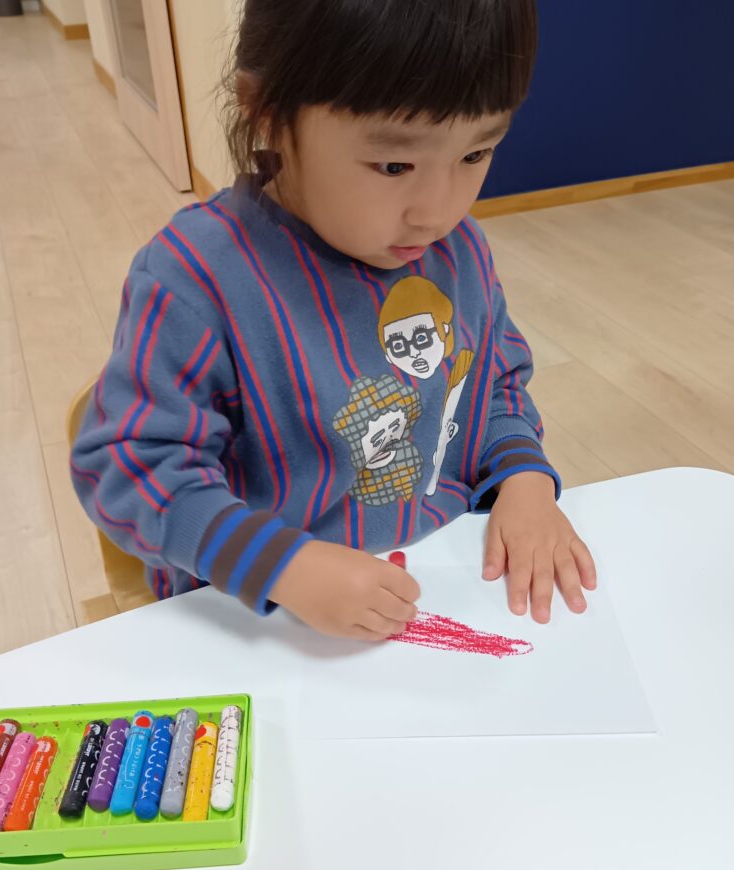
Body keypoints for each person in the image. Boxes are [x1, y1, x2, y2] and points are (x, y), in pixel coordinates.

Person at [71, 0, 596, 641]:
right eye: (395, 165)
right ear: (267, 113)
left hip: (445, 581)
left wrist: (524, 478)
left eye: (477, 152)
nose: (438, 211)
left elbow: (494, 388)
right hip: (262, 617)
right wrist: (283, 566)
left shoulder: (459, 252)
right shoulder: (196, 277)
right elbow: (127, 466)